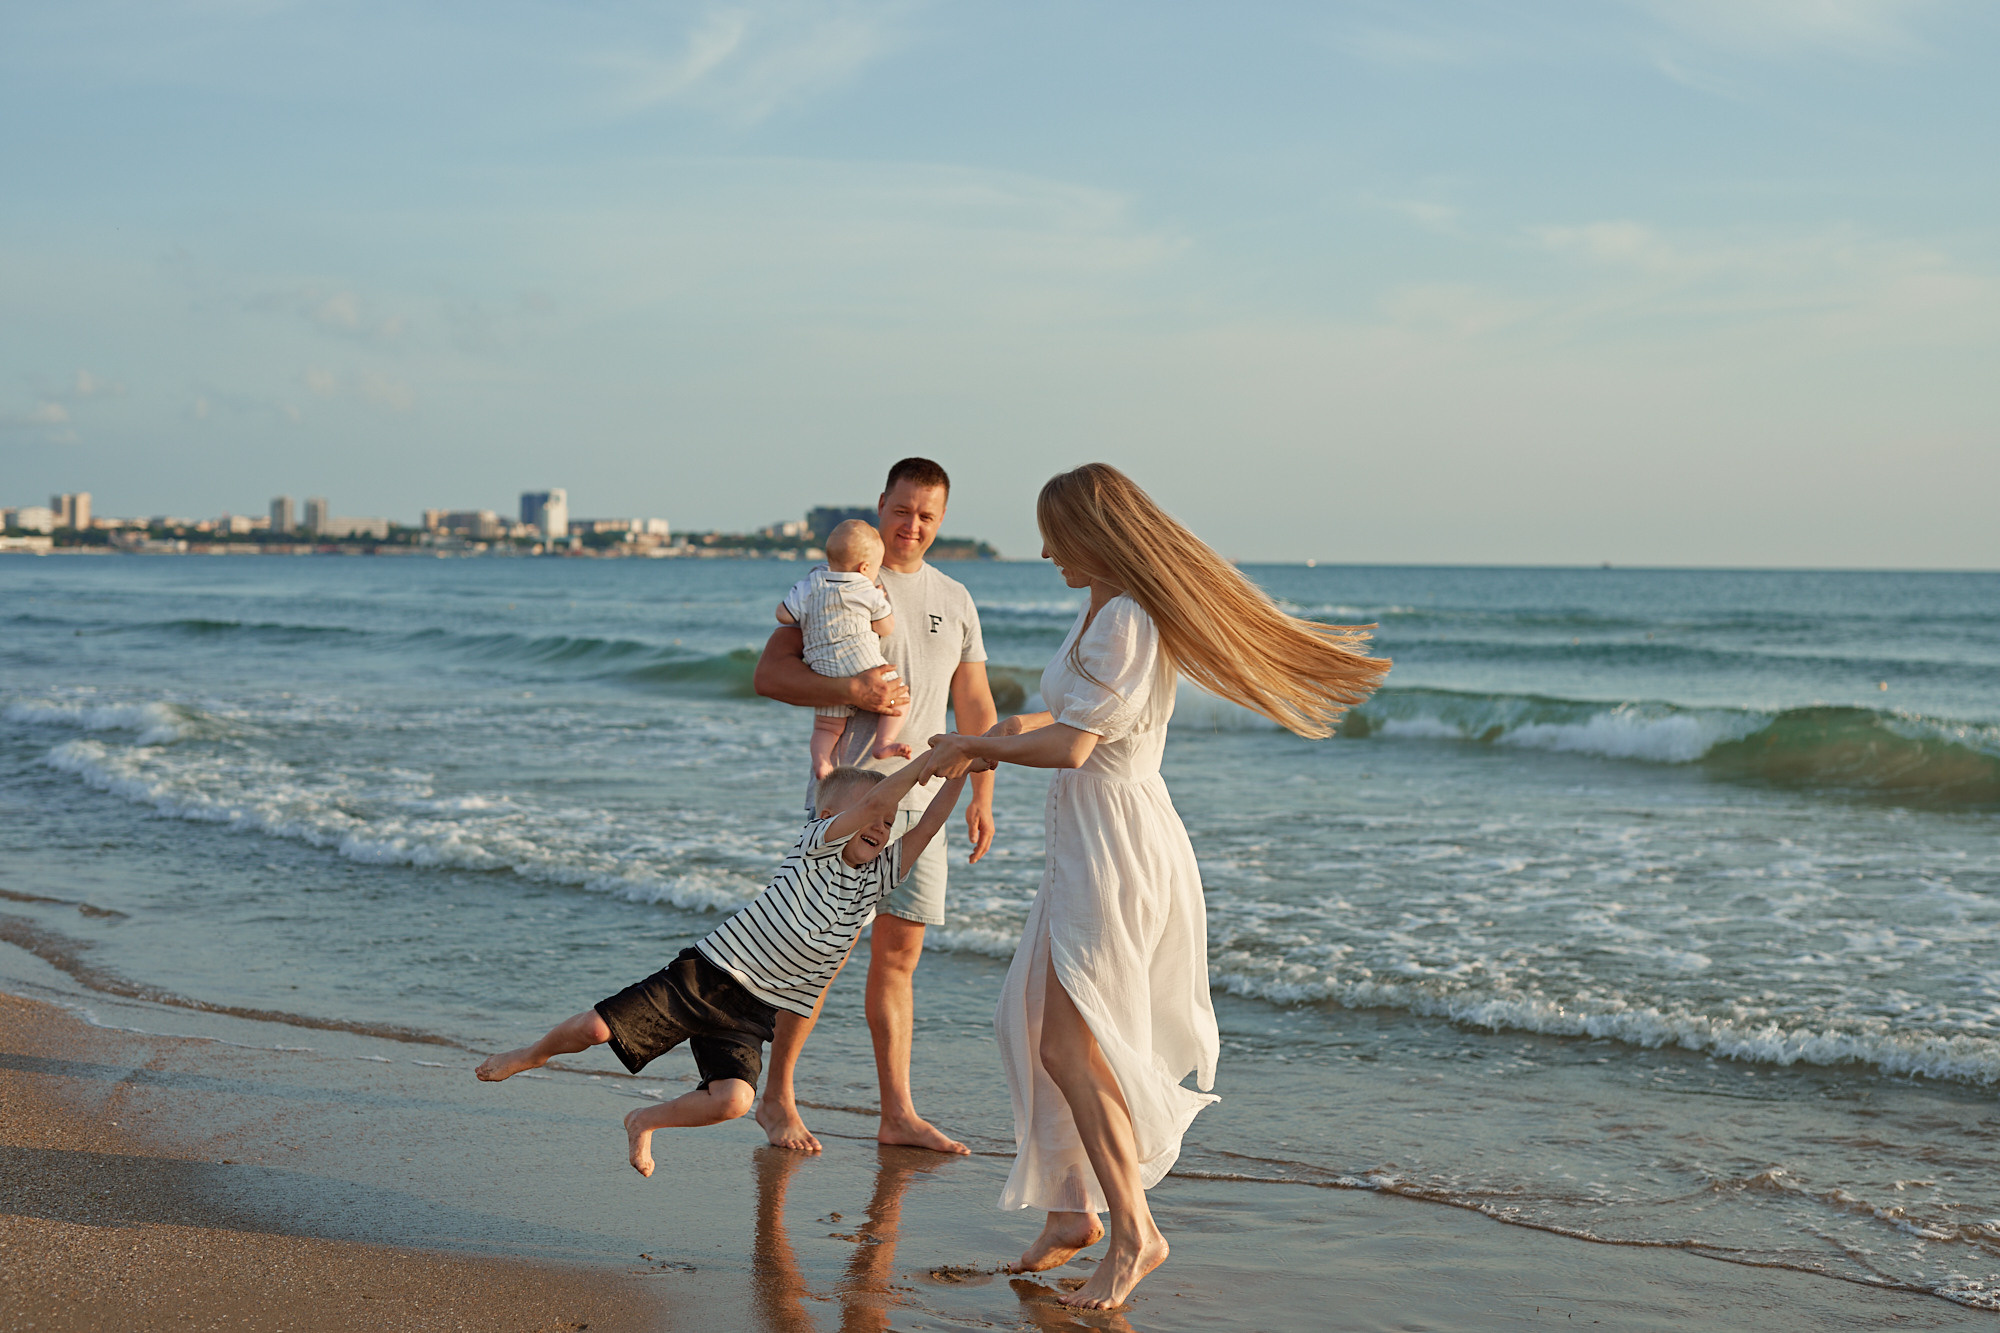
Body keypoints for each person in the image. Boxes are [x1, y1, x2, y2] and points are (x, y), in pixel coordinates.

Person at [921, 463, 1390, 1310]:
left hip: (1116, 847)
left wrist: (969, 751)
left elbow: (1075, 749)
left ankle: (1136, 1232)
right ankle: (1072, 1213)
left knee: (1071, 1041)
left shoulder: (1128, 618)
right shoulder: (1098, 606)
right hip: (1080, 844)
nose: (1041, 550)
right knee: (1030, 1024)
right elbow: (1060, 722)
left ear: (1091, 535)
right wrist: (998, 729)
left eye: (1053, 535)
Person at [471, 760, 969, 1178]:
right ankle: (530, 1054)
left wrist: (962, 766)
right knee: (594, 1027)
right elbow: (873, 804)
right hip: (705, 976)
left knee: (732, 1102)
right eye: (873, 814)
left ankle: (644, 1119)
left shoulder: (876, 881)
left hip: (753, 1012)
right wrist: (926, 763)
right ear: (831, 816)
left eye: (888, 822)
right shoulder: (816, 847)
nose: (882, 826)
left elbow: (927, 825)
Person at [752, 457, 998, 1156]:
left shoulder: (956, 597)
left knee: (899, 958)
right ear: (881, 504)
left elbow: (973, 701)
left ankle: (897, 1114)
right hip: (852, 798)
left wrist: (983, 789)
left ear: (941, 519)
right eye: (902, 509)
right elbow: (769, 673)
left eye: (926, 514)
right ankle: (776, 1098)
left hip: (924, 801)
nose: (911, 525)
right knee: (824, 951)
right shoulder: (842, 582)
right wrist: (857, 695)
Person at [775, 518, 910, 779]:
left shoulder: (810, 583)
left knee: (826, 726)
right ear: (865, 567)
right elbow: (885, 628)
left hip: (822, 668)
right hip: (860, 660)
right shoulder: (865, 587)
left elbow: (783, 615)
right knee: (900, 699)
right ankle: (883, 743)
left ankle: (823, 763)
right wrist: (880, 600)